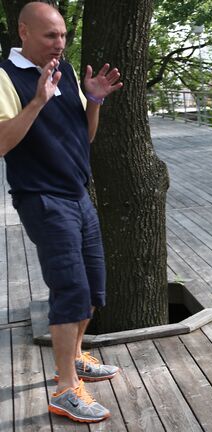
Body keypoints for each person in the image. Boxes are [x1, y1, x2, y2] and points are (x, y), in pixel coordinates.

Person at [0, 2, 123, 423]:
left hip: (77, 194)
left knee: (92, 286)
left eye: (64, 35)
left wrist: (93, 101)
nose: (60, 43)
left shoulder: (66, 71)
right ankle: (65, 389)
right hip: (42, 198)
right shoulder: (4, 77)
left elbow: (83, 137)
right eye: (51, 35)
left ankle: (73, 356)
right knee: (71, 288)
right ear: (23, 31)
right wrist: (35, 102)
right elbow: (1, 144)